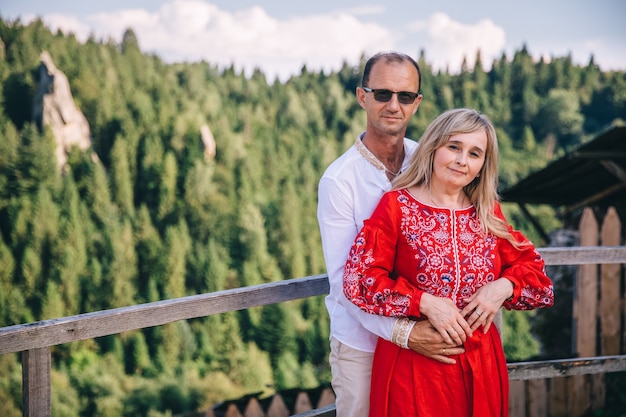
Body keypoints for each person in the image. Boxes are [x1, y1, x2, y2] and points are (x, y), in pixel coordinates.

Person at [342, 108, 555, 417]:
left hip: (481, 366)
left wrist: (503, 287)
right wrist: (424, 302)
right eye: (454, 147)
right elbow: (359, 281)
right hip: (414, 365)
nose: (461, 160)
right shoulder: (397, 205)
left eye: (474, 153)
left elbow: (540, 283)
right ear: (433, 148)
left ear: (483, 166)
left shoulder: (487, 212)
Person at [317, 52, 465, 417]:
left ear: (417, 103)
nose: (393, 105)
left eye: (405, 96)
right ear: (362, 96)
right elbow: (344, 284)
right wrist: (408, 334)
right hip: (364, 347)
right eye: (382, 94)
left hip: (428, 339)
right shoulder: (339, 181)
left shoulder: (431, 162)